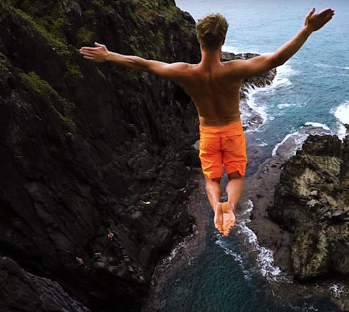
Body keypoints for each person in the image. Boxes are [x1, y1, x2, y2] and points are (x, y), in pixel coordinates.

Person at [79, 8, 334, 236]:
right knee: (235, 177)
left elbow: (143, 64)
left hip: (209, 133)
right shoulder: (235, 69)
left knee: (212, 180)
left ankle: (216, 210)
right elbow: (276, 59)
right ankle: (230, 208)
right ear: (223, 41)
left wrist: (109, 55)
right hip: (233, 131)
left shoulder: (186, 72)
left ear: (199, 40)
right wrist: (307, 30)